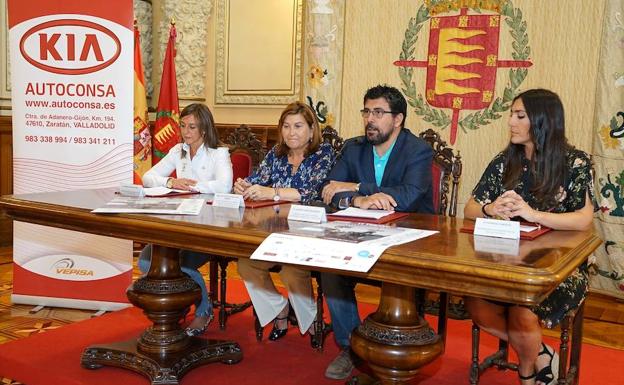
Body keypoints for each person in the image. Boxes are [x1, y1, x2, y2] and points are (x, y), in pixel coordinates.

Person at [463, 89, 595, 385]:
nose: (510, 122)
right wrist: (490, 207)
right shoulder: (505, 161)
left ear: (543, 121)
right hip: (506, 261)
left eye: (519, 116)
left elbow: (584, 220)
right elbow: (470, 208)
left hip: (559, 266)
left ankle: (526, 373)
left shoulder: (574, 163)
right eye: (511, 114)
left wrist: (535, 215)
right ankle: (540, 354)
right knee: (474, 300)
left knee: (522, 311)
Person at [319, 84, 434, 380]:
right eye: (367, 111)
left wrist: (359, 188)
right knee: (331, 271)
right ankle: (351, 346)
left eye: (378, 112)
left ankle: (394, 349)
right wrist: (358, 200)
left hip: (411, 236)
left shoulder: (417, 149)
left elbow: (408, 196)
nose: (370, 119)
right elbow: (330, 191)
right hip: (362, 232)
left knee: (396, 272)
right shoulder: (354, 148)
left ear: (398, 120)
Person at [233, 101, 335, 346]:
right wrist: (243, 186)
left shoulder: (324, 153)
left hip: (309, 234)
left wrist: (271, 192)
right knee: (247, 265)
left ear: (312, 130)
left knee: (292, 270)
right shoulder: (276, 155)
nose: (291, 132)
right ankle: (279, 310)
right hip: (273, 232)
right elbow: (256, 180)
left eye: (298, 126)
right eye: (286, 126)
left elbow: (311, 191)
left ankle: (311, 321)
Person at [140, 103, 233, 336]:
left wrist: (191, 187)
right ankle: (178, 303)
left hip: (210, 226)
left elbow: (225, 186)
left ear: (204, 129)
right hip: (179, 222)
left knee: (178, 265)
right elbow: (148, 177)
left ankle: (203, 310)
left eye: (192, 127)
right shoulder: (178, 151)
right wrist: (170, 182)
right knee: (145, 262)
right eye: (183, 126)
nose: (186, 132)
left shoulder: (218, 153)